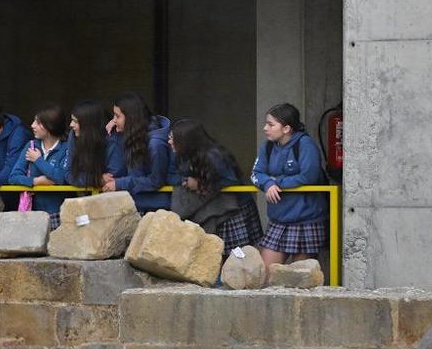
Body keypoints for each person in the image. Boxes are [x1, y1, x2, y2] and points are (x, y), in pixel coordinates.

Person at [252, 102, 327, 266]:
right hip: (278, 219)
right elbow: (256, 173)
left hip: (306, 219)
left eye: (271, 124)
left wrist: (277, 182)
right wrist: (267, 184)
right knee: (264, 272)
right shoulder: (267, 147)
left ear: (286, 128)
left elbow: (309, 176)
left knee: (300, 276)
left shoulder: (305, 144)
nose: (265, 128)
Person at [168, 117, 258, 251]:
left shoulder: (213, 155)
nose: (169, 142)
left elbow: (231, 180)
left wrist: (202, 183)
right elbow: (171, 176)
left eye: (173, 138)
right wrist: (185, 180)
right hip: (216, 209)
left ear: (186, 140)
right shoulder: (181, 155)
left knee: (237, 254)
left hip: (235, 209)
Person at [104, 93, 173, 213]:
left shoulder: (155, 144)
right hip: (138, 204)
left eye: (117, 116)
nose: (113, 120)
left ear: (131, 118)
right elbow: (119, 169)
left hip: (156, 208)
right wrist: (115, 134)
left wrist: (119, 184)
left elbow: (156, 181)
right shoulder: (134, 135)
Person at [6, 104, 72, 212]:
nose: (32, 125)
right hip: (35, 213)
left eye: (38, 122)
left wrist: (38, 160)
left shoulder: (66, 148)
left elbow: (62, 177)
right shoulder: (31, 146)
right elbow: (13, 177)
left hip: (61, 212)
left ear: (50, 125)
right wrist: (36, 181)